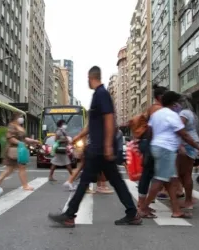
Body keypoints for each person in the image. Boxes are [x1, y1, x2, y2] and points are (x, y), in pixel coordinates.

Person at [48, 66, 141, 227]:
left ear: (91, 78)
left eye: (88, 79)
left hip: (100, 149)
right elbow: (92, 125)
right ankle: (132, 213)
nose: (87, 82)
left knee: (86, 181)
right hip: (99, 148)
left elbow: (109, 119)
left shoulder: (102, 94)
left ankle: (70, 215)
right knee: (114, 181)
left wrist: (107, 146)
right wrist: (77, 137)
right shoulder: (98, 95)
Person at [139, 91, 199, 219]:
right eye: (178, 102)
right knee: (160, 180)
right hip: (166, 149)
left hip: (157, 147)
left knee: (171, 181)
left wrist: (152, 146)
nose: (179, 105)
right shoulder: (173, 116)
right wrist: (198, 147)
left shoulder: (156, 114)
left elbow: (150, 132)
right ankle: (143, 208)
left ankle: (176, 210)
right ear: (174, 103)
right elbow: (184, 134)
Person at [0, 112, 40, 191]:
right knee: (19, 167)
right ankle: (25, 186)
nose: (21, 118)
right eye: (20, 116)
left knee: (10, 169)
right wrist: (20, 143)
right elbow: (10, 138)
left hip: (19, 149)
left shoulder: (19, 127)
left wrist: (33, 141)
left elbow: (24, 138)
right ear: (16, 117)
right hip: (14, 150)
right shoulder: (12, 126)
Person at [176, 95, 199, 210]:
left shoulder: (184, 114)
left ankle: (188, 201)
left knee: (184, 174)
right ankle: (189, 198)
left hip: (187, 144)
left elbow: (179, 130)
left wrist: (181, 145)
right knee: (185, 174)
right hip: (192, 143)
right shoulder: (192, 114)